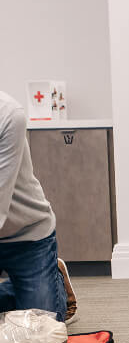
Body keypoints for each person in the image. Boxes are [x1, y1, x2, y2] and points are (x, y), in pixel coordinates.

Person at [0, 91, 77, 325]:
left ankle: (56, 281)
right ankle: (23, 290)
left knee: (39, 335)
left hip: (26, 236)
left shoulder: (8, 114)